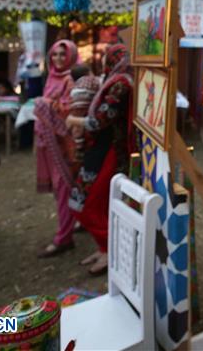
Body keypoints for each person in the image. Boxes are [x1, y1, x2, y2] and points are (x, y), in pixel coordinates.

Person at [66, 44, 134, 276]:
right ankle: (105, 247)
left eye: (107, 57)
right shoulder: (115, 81)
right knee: (95, 202)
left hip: (108, 151)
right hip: (102, 150)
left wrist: (74, 121)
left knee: (87, 203)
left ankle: (110, 250)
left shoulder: (120, 84)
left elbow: (99, 121)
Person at [34, 40, 78, 259]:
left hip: (63, 145)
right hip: (47, 142)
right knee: (61, 189)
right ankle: (74, 225)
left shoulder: (70, 80)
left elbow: (70, 111)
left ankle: (64, 238)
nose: (58, 59)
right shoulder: (51, 76)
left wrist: (44, 104)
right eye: (55, 54)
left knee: (63, 188)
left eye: (63, 54)